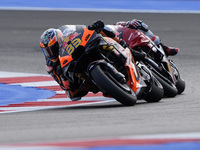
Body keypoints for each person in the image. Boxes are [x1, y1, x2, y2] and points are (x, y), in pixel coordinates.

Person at [39, 23, 145, 101]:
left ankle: (126, 48)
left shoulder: (67, 36)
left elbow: (80, 30)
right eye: (47, 50)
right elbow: (62, 84)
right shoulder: (51, 66)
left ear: (60, 41)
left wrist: (92, 27)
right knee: (73, 95)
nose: (50, 52)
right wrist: (66, 83)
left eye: (52, 48)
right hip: (76, 77)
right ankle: (105, 83)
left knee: (102, 29)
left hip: (81, 52)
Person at [114, 19, 180, 56]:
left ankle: (164, 47)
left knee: (136, 23)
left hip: (123, 41)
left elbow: (118, 25)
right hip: (115, 50)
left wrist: (129, 24)